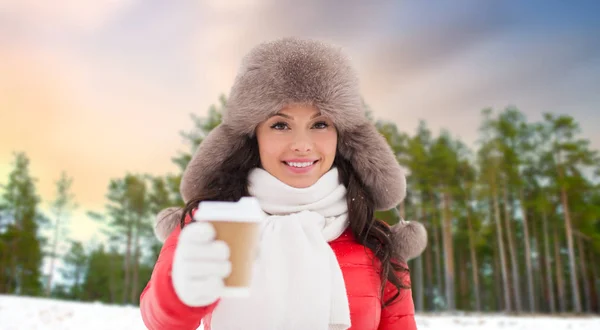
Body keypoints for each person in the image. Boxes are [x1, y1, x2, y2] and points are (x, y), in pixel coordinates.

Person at [140, 37, 427, 330]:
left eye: (320, 124)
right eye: (280, 125)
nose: (302, 145)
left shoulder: (376, 242)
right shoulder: (210, 224)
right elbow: (160, 321)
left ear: (343, 136)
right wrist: (180, 291)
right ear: (254, 136)